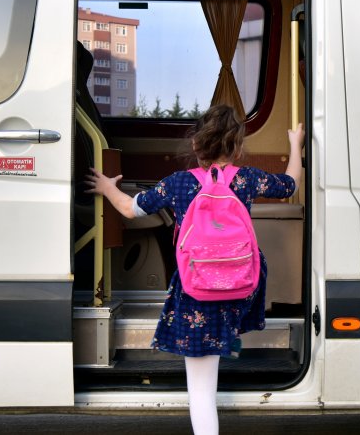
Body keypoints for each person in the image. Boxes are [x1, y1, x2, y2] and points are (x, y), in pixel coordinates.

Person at [86, 104, 305, 435]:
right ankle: (226, 340)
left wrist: (107, 187)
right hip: (240, 287)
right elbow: (290, 184)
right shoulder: (247, 179)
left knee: (202, 392)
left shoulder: (178, 183)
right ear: (237, 148)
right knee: (220, 334)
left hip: (198, 291)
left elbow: (131, 209)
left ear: (195, 145)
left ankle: (216, 348)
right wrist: (295, 144)